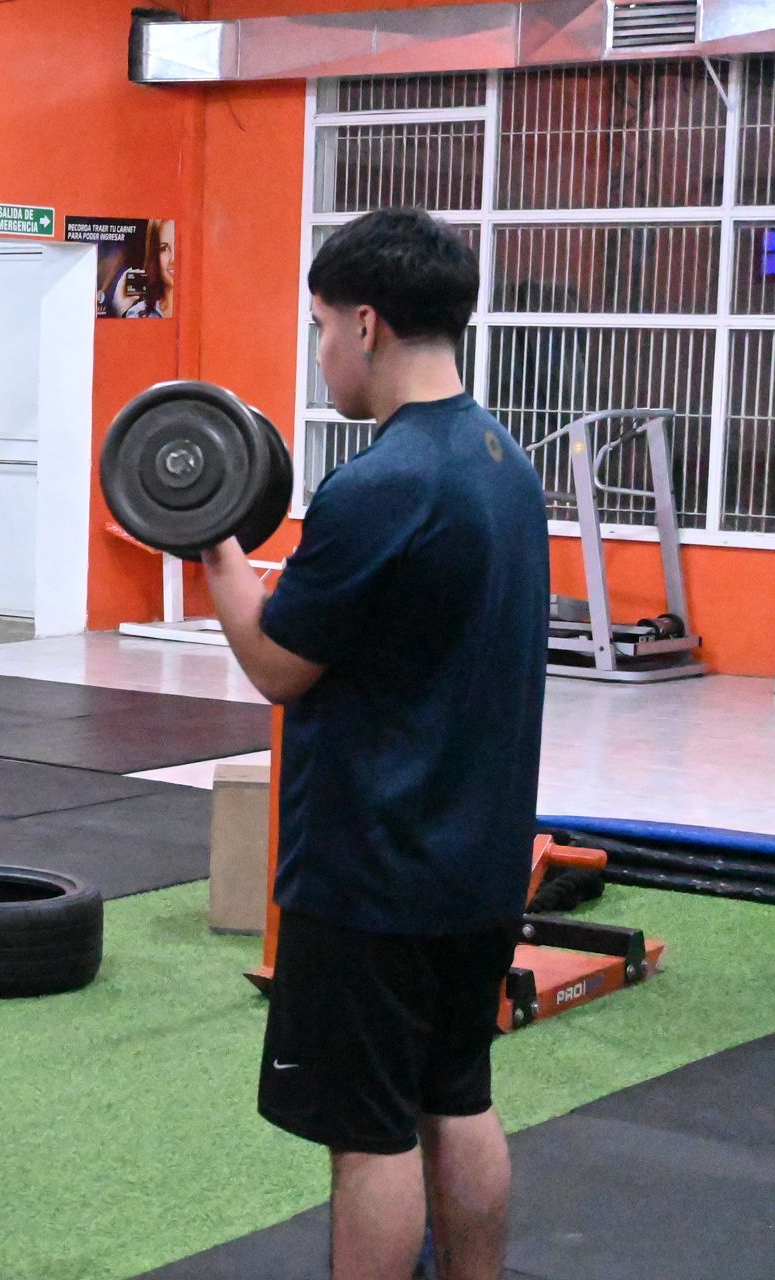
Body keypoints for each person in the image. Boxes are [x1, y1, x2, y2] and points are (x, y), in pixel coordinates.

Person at [199, 208, 548, 1280]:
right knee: (461, 1093)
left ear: (365, 322)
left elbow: (276, 665)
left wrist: (208, 543)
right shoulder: (506, 463)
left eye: (318, 327)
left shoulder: (379, 485)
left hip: (371, 876)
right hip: (479, 866)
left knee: (373, 1132)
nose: (321, 351)